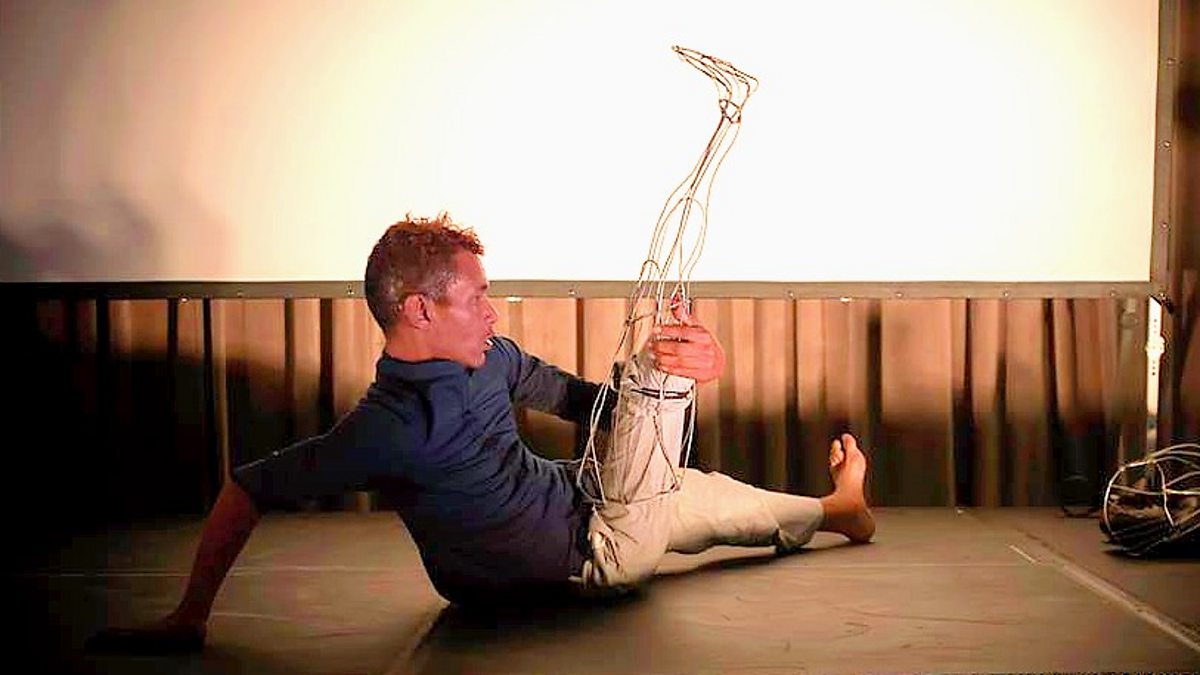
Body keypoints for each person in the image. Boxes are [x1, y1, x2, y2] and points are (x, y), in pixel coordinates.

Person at [87, 214, 874, 653]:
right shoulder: (386, 430)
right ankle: (669, 374)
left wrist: (673, 394)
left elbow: (591, 405)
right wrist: (189, 615)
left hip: (590, 498)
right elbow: (248, 485)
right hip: (590, 557)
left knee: (714, 498)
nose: (492, 311)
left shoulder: (491, 356)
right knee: (651, 382)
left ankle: (840, 510)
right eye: (475, 298)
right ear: (418, 310)